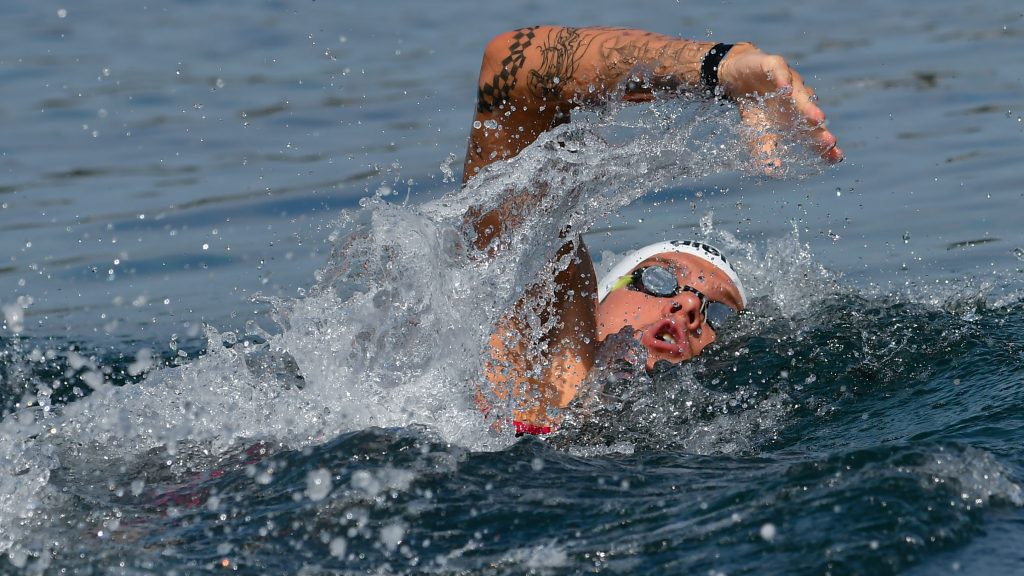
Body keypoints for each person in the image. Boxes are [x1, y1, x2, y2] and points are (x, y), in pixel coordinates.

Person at [462, 26, 843, 434]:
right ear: (597, 298)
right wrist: (721, 67)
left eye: (718, 314)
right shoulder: (529, 376)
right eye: (659, 279)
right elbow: (511, 66)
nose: (689, 307)